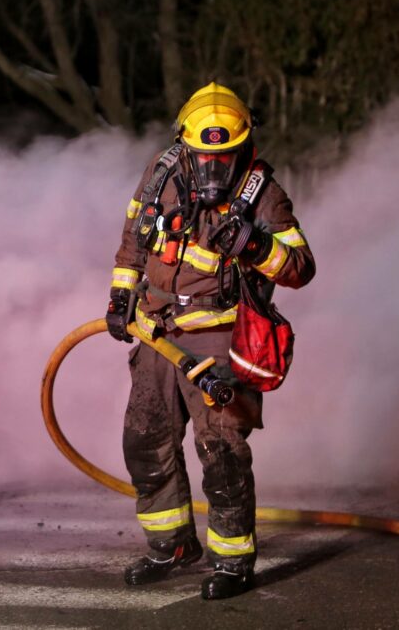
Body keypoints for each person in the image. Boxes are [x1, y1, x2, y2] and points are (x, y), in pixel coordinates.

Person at [106, 82, 315, 600]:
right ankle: (171, 545)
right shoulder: (162, 172)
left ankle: (232, 561)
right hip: (156, 332)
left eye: (226, 156)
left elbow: (300, 268)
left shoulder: (263, 192)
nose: (214, 168)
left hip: (218, 339)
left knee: (220, 450)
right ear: (185, 146)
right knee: (145, 442)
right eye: (205, 156)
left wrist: (256, 244)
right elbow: (134, 240)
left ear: (244, 147)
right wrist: (119, 297)